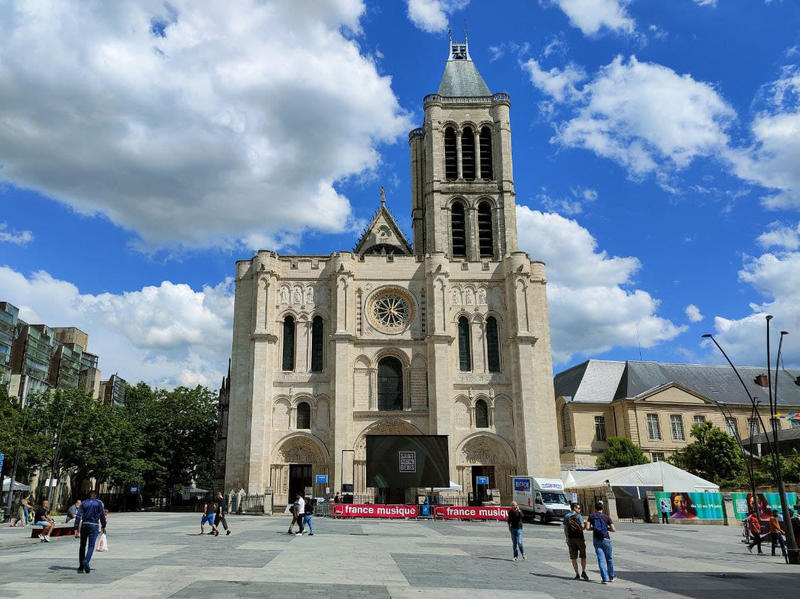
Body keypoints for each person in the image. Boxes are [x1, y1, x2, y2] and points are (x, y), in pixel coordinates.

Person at [74, 490, 107, 574]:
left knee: (82, 545)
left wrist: (76, 528)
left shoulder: (83, 503)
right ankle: (86, 560)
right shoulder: (98, 503)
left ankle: (81, 566)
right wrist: (103, 526)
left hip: (84, 525)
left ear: (88, 496)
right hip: (94, 525)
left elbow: (78, 516)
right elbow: (102, 515)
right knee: (91, 546)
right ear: (95, 496)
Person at [588, 500, 616, 584]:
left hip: (597, 540)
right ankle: (611, 577)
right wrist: (606, 528)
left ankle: (604, 578)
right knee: (609, 559)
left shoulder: (591, 516)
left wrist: (594, 528)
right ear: (602, 508)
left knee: (601, 560)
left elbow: (587, 528)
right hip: (606, 539)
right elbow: (613, 529)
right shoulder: (606, 517)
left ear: (595, 508)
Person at [563, 502, 589, 581]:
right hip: (580, 538)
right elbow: (582, 527)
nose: (580, 510)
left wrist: (567, 538)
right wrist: (585, 524)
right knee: (583, 556)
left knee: (573, 557)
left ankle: (577, 574)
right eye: (578, 508)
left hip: (571, 539)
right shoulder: (579, 516)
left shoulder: (566, 516)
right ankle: (583, 571)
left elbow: (565, 528)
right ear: (574, 508)